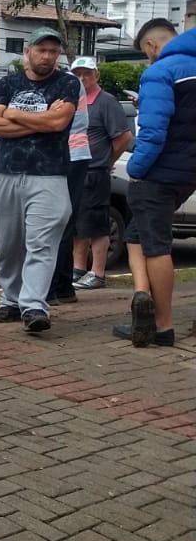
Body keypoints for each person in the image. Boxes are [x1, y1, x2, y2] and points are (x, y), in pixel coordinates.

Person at [0, 28, 82, 334]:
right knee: (10, 244)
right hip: (6, 173)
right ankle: (10, 300)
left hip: (50, 175)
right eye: (42, 50)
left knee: (41, 243)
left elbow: (58, 122)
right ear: (27, 52)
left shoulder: (68, 82)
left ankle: (34, 306)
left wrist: (13, 114)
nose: (48, 56)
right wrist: (40, 124)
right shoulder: (8, 82)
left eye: (54, 51)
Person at [114, 18, 196, 346]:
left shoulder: (160, 72)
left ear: (151, 46)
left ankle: (162, 326)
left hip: (158, 173)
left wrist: (136, 167)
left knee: (157, 245)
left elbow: (153, 131)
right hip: (188, 175)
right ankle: (141, 295)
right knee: (136, 234)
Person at [67, 56, 133, 288]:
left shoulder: (106, 101)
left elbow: (123, 137)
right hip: (75, 171)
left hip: (95, 172)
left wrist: (107, 161)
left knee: (96, 224)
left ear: (97, 75)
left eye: (87, 73)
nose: (82, 78)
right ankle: (78, 269)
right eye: (78, 74)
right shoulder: (73, 100)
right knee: (78, 224)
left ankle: (98, 273)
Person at [47, 61, 91, 305]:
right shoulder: (69, 83)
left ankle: (52, 287)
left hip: (68, 155)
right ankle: (63, 286)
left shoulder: (66, 84)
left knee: (57, 221)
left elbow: (54, 121)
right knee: (65, 220)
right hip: (75, 155)